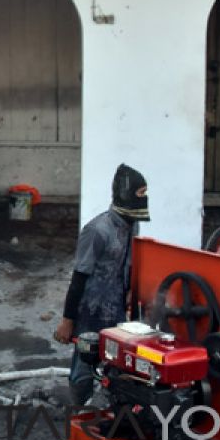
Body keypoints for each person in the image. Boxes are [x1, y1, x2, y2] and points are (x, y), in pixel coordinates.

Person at [53, 164, 150, 406]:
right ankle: (78, 416)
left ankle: (106, 412)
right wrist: (67, 320)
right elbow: (79, 277)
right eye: (139, 194)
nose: (143, 199)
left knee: (115, 364)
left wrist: (129, 292)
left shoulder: (131, 225)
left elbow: (129, 262)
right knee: (84, 364)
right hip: (90, 311)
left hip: (116, 309)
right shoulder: (97, 230)